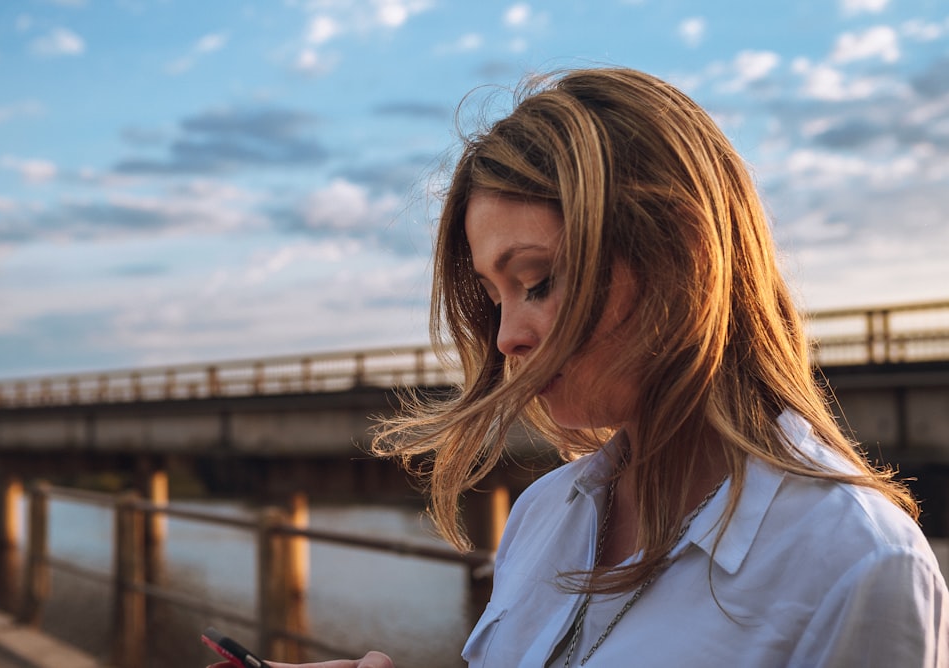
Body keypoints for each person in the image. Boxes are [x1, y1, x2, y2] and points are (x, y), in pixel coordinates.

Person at [212, 67, 949, 667]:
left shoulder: (858, 568)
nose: (506, 338)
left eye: (537, 280)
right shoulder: (544, 514)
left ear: (681, 258)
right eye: (494, 296)